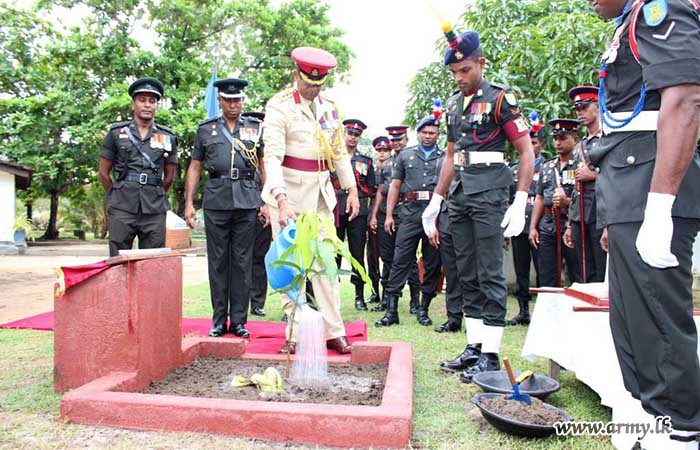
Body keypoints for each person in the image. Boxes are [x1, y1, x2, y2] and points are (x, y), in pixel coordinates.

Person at [588, 0, 700, 445]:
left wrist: (659, 206)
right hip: (628, 186)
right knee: (633, 324)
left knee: (659, 323)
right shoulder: (630, 21)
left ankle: (682, 429)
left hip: (651, 185)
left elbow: (686, 99)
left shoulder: (660, 9)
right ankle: (656, 423)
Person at [422, 29, 534, 381]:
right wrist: (436, 199)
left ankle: (491, 353)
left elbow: (526, 151)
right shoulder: (453, 105)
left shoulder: (501, 99)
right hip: (459, 194)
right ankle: (474, 347)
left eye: (465, 70)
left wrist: (520, 198)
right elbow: (451, 156)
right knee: (465, 272)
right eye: (454, 72)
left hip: (490, 193)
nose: (459, 78)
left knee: (490, 272)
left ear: (480, 63)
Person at [262, 46, 359, 355]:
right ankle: (293, 333)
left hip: (320, 195)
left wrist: (351, 188)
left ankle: (334, 331)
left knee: (325, 265)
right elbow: (272, 157)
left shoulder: (329, 107)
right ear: (296, 75)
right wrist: (280, 200)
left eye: (319, 84)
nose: (313, 89)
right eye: (308, 83)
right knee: (291, 265)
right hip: (288, 194)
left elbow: (338, 152)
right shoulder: (279, 106)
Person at [184, 78, 266, 338]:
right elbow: (195, 166)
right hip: (216, 200)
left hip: (247, 199)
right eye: (228, 100)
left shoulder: (255, 128)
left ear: (242, 101)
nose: (233, 104)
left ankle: (239, 321)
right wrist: (189, 203)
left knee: (242, 262)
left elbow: (263, 165)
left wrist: (265, 201)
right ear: (219, 101)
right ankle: (219, 320)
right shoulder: (205, 129)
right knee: (218, 262)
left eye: (237, 100)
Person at [99, 77, 178, 257]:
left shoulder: (167, 137)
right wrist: (116, 195)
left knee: (151, 262)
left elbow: (169, 177)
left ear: (156, 106)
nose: (147, 105)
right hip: (122, 206)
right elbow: (103, 173)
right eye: (142, 100)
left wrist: (155, 193)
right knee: (118, 260)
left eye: (152, 101)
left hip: (154, 209)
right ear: (133, 104)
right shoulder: (116, 133)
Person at [376, 116, 444, 327]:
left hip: (434, 215)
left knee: (432, 263)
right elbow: (395, 186)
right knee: (400, 260)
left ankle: (423, 309)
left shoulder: (445, 158)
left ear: (438, 135)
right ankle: (391, 310)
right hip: (409, 213)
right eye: (424, 132)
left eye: (432, 133)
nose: (427, 136)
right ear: (418, 133)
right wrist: (389, 215)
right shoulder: (406, 156)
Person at [369, 126, 421, 313]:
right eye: (393, 140)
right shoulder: (386, 164)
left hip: (407, 215)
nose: (397, 143)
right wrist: (374, 215)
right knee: (387, 258)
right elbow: (380, 192)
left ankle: (415, 301)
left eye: (400, 139)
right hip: (386, 216)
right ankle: (387, 299)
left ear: (406, 140)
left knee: (409, 259)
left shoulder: (415, 160)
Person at [529, 119, 581, 288]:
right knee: (547, 276)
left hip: (571, 224)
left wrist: (568, 202)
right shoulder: (547, 166)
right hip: (548, 225)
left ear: (574, 139)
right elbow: (540, 197)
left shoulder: (580, 165)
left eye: (563, 138)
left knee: (577, 275)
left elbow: (585, 196)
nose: (558, 143)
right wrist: (533, 227)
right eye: (555, 138)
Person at [562, 86, 606, 283]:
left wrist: (594, 175)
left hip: (601, 211)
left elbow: (617, 175)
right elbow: (574, 189)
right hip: (580, 214)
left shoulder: (608, 139)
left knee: (602, 267)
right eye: (577, 108)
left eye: (584, 107)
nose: (580, 112)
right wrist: (569, 223)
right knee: (583, 271)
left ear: (597, 106)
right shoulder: (579, 147)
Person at [332, 119, 376, 311]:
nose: (353, 137)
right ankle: (331, 295)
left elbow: (371, 188)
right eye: (350, 133)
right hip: (335, 208)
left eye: (356, 135)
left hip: (358, 212)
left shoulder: (365, 161)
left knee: (357, 254)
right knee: (332, 254)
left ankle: (359, 296)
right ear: (344, 133)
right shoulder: (333, 156)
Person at [507, 120, 544, 325]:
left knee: (543, 270)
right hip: (518, 225)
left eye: (535, 142)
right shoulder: (514, 169)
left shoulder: (548, 166)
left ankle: (542, 313)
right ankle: (523, 311)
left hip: (541, 226)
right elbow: (508, 199)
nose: (531, 145)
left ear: (542, 144)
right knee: (521, 270)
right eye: (528, 141)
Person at [242, 111, 272, 317]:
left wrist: (265, 204)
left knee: (260, 257)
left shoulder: (272, 152)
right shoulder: (241, 149)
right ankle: (240, 300)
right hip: (243, 207)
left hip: (264, 210)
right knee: (241, 256)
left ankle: (258, 302)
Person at [365, 137, 390, 306]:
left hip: (388, 215)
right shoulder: (370, 170)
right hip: (372, 215)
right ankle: (375, 291)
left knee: (387, 257)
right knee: (372, 257)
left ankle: (388, 293)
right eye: (379, 150)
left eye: (385, 150)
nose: (382, 153)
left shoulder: (394, 168)